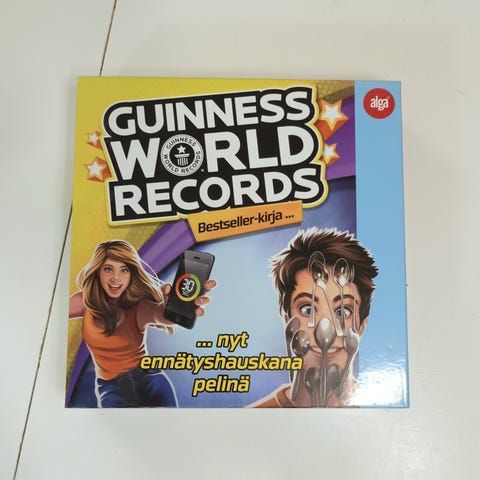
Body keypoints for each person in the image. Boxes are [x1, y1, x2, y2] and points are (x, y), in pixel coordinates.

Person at [69, 239, 216, 408]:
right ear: (97, 272)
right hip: (111, 387)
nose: (115, 278)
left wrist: (173, 307)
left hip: (150, 379)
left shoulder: (138, 306)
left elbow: (159, 314)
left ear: (132, 274)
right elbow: (52, 310)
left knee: (172, 423)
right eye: (108, 269)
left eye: (124, 270)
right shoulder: (84, 302)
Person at [251, 228, 377, 408]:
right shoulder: (256, 415)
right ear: (287, 320)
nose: (325, 328)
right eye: (307, 309)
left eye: (342, 312)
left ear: (362, 327)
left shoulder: (380, 411)